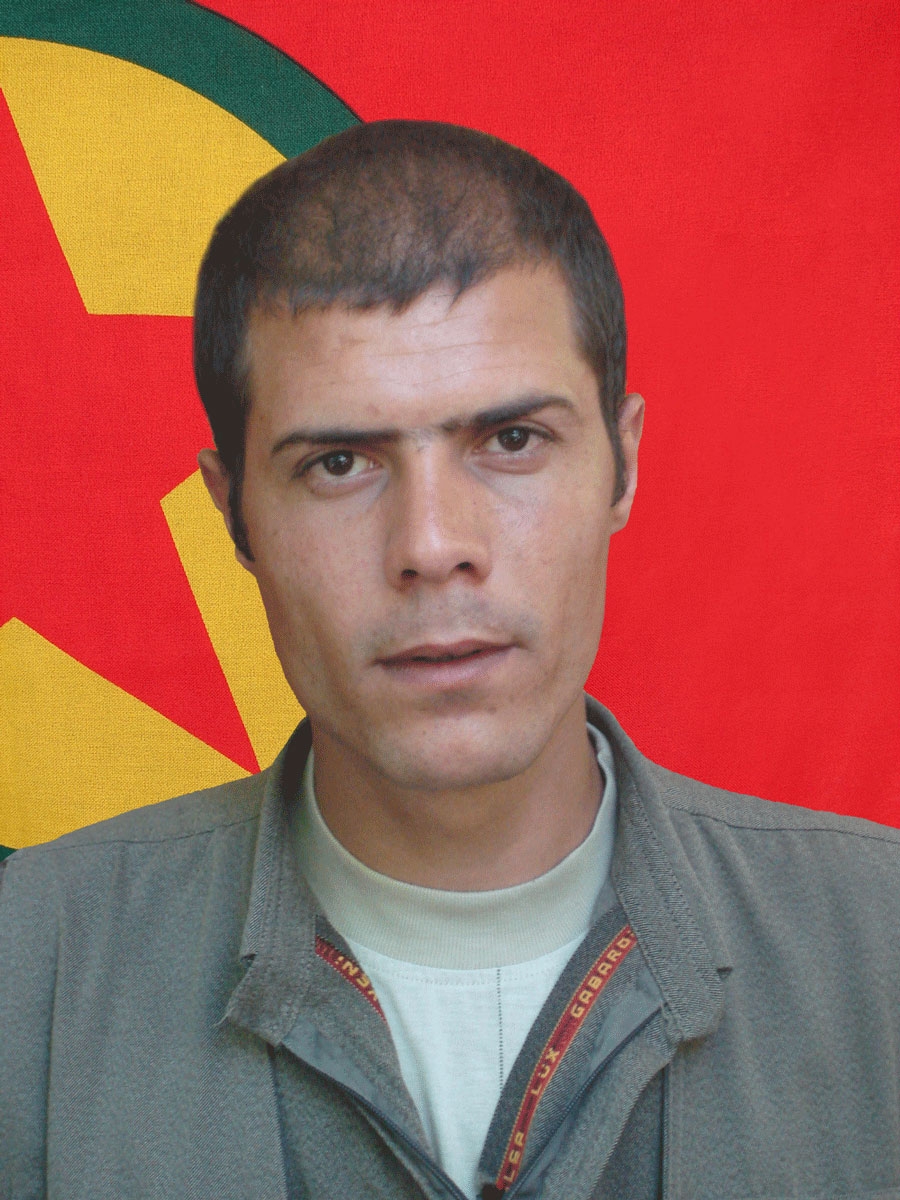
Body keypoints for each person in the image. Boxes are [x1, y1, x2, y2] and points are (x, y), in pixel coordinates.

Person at [2, 120, 899, 1200]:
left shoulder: (881, 945)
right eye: (339, 462)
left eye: (512, 441)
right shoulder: (28, 968)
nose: (431, 545)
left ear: (622, 468)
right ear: (233, 514)